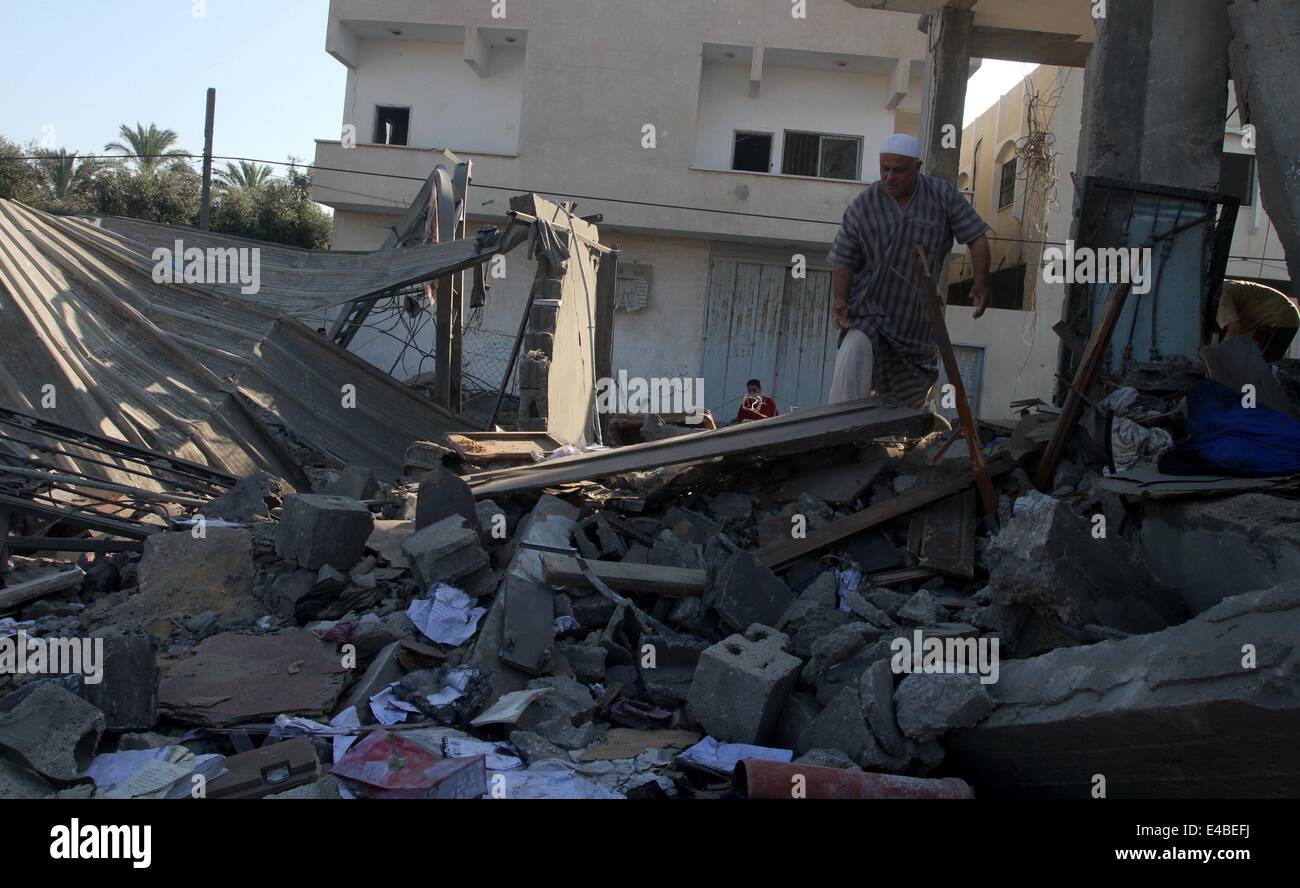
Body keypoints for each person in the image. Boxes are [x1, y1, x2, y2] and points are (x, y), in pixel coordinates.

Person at [826, 133, 992, 409]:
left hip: (917, 319)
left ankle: (905, 447)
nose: (889, 177)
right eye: (884, 169)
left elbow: (977, 237)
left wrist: (982, 283)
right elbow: (843, 257)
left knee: (915, 397)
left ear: (917, 167)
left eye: (898, 170)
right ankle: (841, 431)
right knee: (852, 355)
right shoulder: (863, 205)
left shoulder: (942, 195)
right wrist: (841, 300)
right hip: (871, 311)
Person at [1216, 279, 1299, 363]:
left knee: (1260, 365)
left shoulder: (1220, 296)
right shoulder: (1218, 289)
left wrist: (1219, 358)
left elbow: (1234, 329)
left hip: (1279, 318)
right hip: (1276, 315)